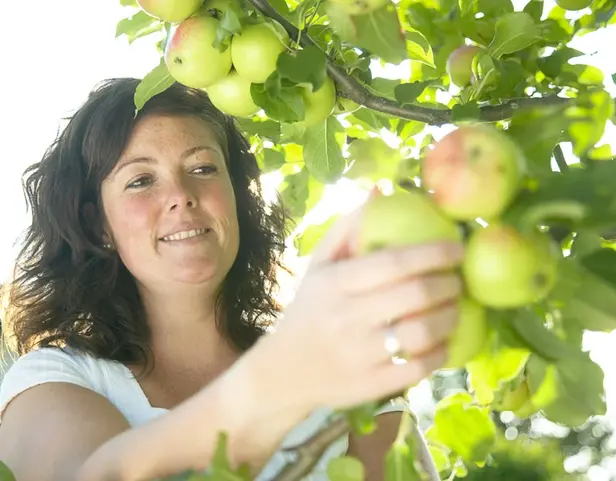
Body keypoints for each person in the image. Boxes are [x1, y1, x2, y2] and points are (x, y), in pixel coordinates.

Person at [0, 77, 463, 481]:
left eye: (202, 168)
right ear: (99, 223)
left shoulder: (343, 368)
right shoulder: (56, 378)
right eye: (141, 180)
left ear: (238, 198)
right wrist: (278, 379)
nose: (181, 195)